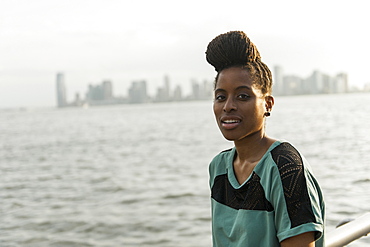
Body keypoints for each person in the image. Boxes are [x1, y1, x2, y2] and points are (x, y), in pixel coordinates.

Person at [206, 31, 325, 247]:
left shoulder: (284, 167)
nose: (228, 106)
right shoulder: (218, 168)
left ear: (268, 104)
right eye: (220, 97)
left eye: (243, 96)